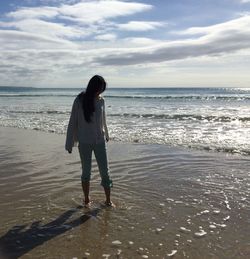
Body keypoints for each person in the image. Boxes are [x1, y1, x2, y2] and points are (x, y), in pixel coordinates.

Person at [65, 75, 113, 207]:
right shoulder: (80, 100)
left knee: (105, 171)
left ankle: (108, 200)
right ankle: (86, 199)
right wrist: (69, 144)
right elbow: (72, 122)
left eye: (102, 89)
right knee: (86, 172)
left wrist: (107, 135)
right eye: (99, 89)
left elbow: (103, 120)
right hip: (84, 142)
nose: (100, 92)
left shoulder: (101, 100)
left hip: (100, 141)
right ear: (93, 87)